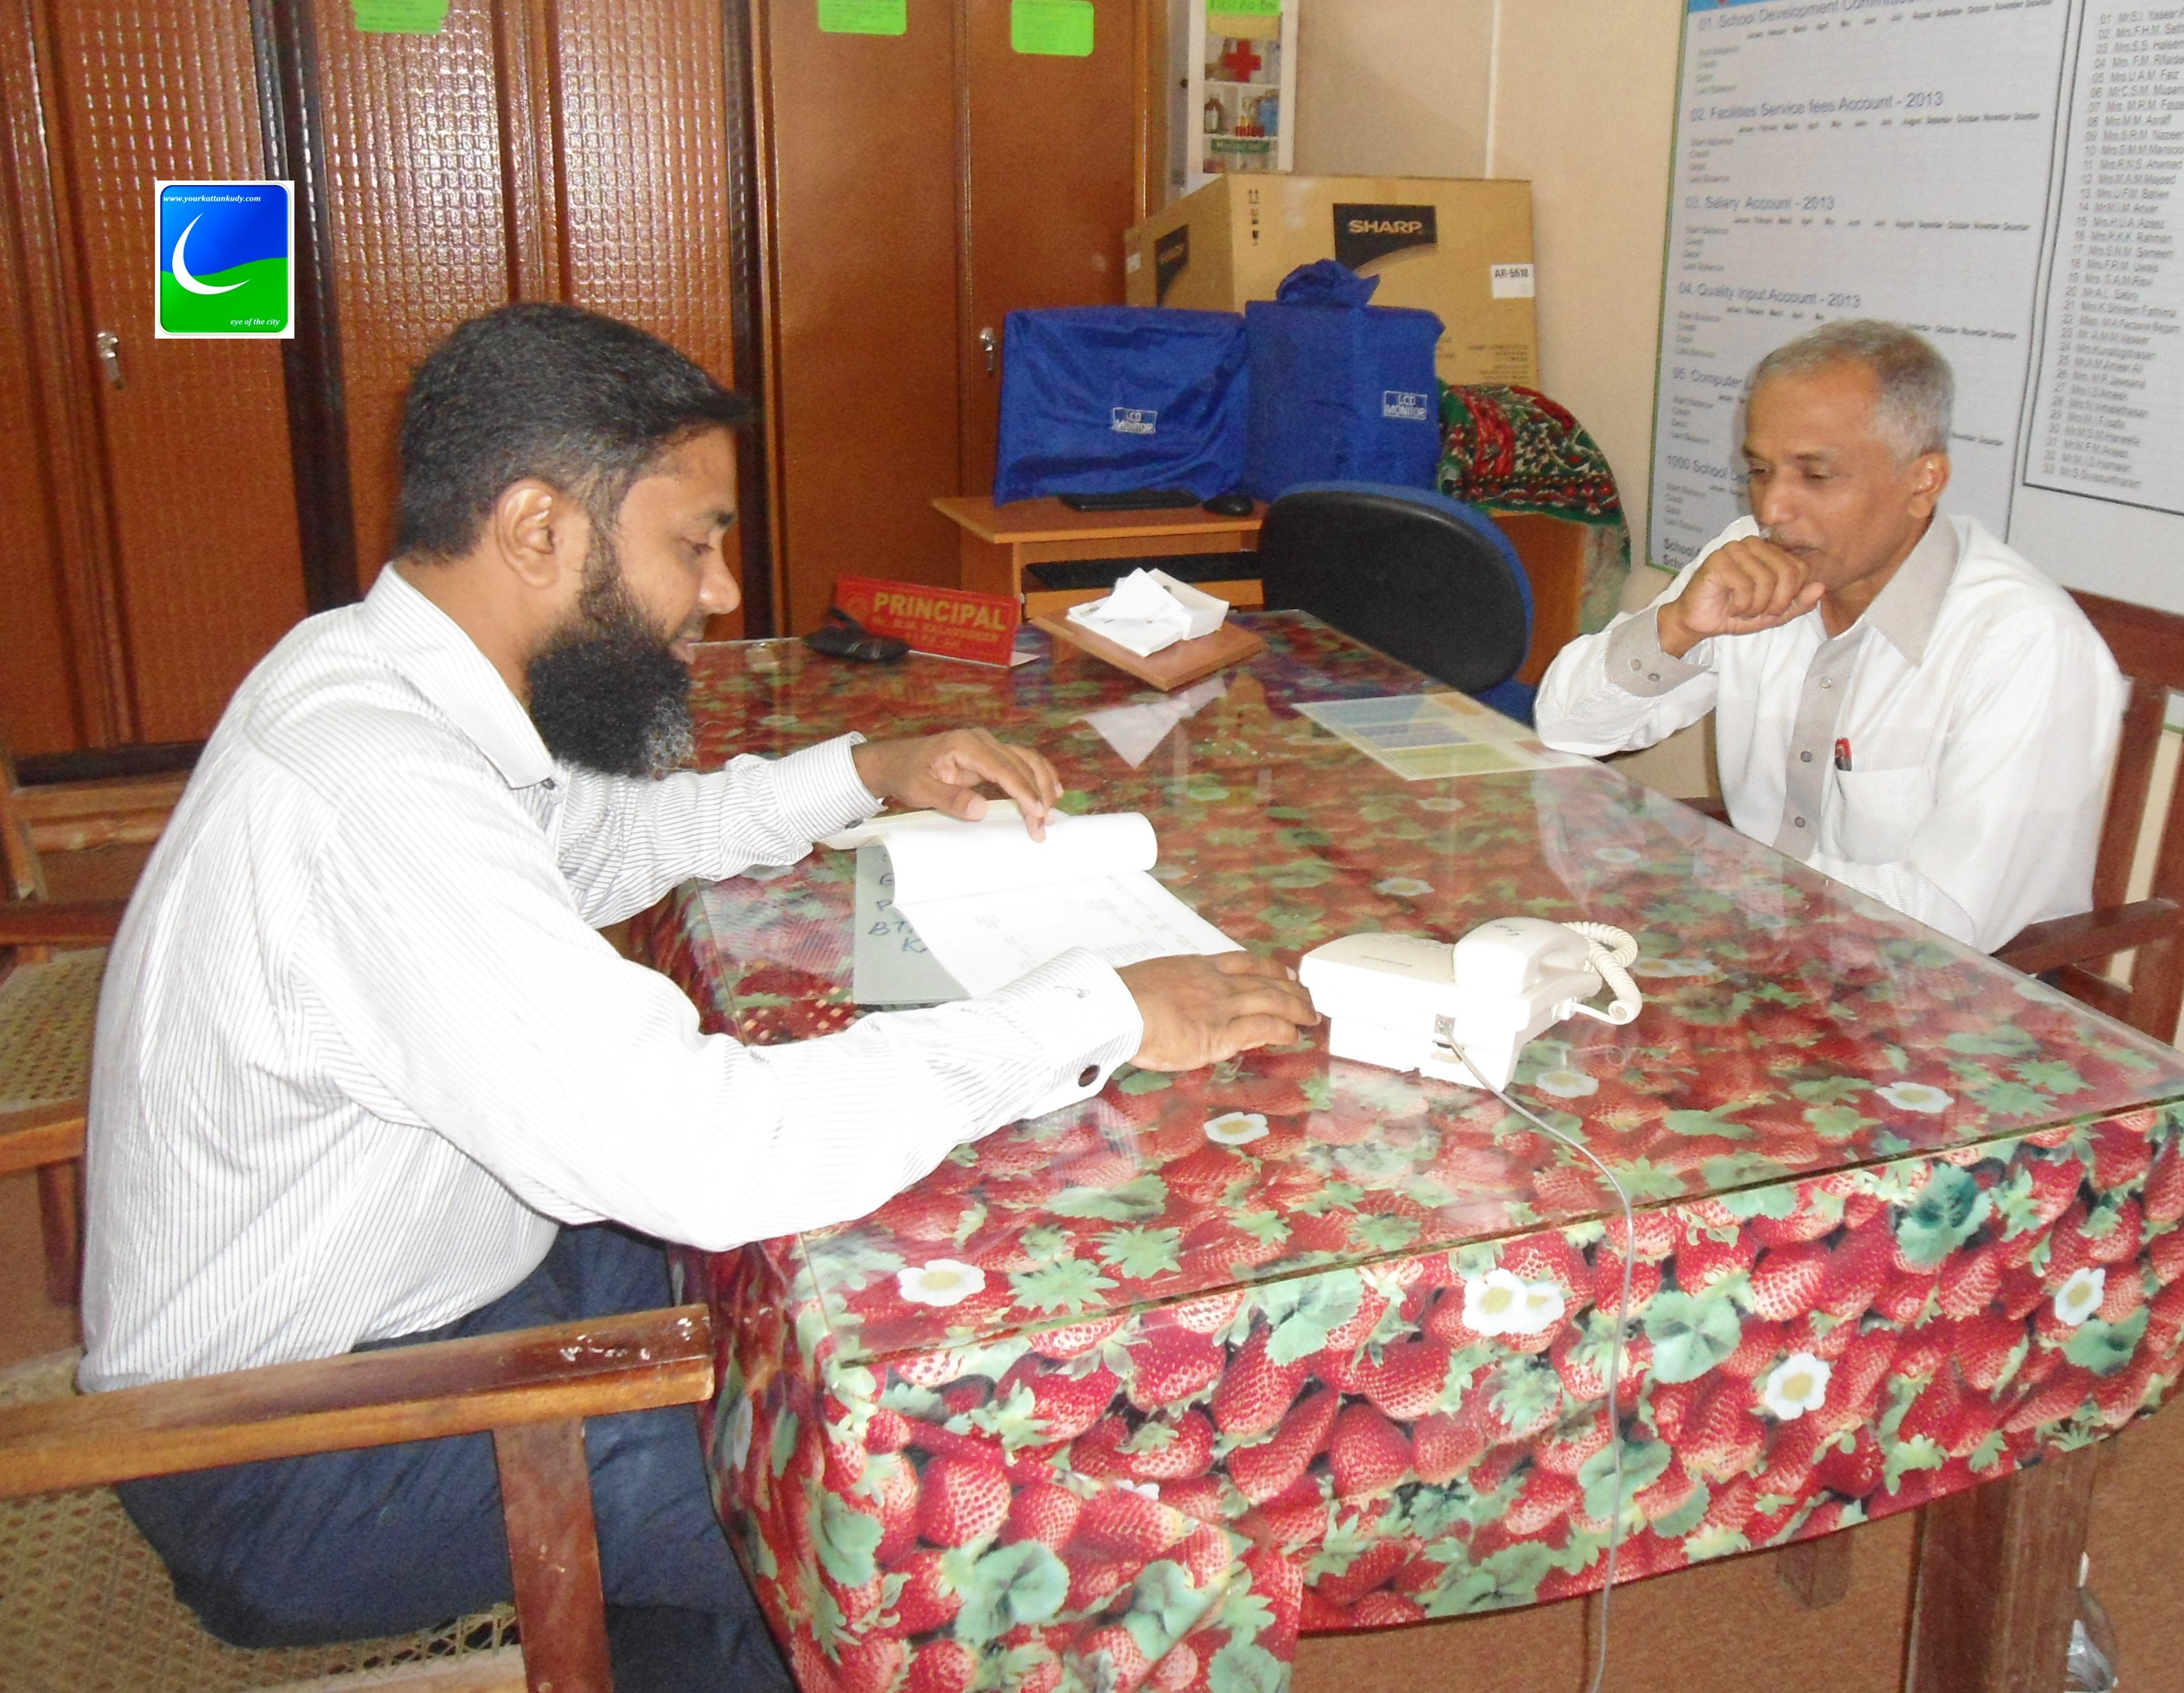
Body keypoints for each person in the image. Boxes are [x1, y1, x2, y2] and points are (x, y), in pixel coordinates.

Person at [81, 304, 1318, 1691]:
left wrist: (864, 772)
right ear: (538, 529)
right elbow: (706, 1149)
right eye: (694, 542)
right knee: (930, 1513)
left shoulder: (386, 678)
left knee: (862, 1296)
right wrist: (1095, 1010)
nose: (723, 591)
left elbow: (605, 842)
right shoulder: (375, 789)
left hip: (458, 1275)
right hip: (287, 1447)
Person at [1534, 319, 2121, 953]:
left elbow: (1947, 918)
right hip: (1765, 938)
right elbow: (1567, 728)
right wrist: (1677, 627)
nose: (1772, 509)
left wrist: (1716, 888)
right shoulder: (1752, 559)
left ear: (1923, 482)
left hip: (1938, 982)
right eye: (1760, 470)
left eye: (1815, 477)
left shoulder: (2024, 644)